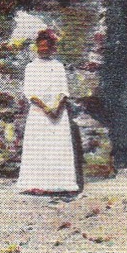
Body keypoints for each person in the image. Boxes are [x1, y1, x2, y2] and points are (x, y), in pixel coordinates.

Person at [17, 29, 80, 194]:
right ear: (37, 47)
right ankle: (36, 184)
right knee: (39, 148)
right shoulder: (30, 67)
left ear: (51, 47)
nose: (43, 49)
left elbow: (63, 90)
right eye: (40, 46)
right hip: (39, 113)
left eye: (46, 46)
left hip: (57, 114)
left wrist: (57, 108)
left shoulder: (58, 66)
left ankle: (59, 184)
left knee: (56, 148)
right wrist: (45, 108)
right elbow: (29, 92)